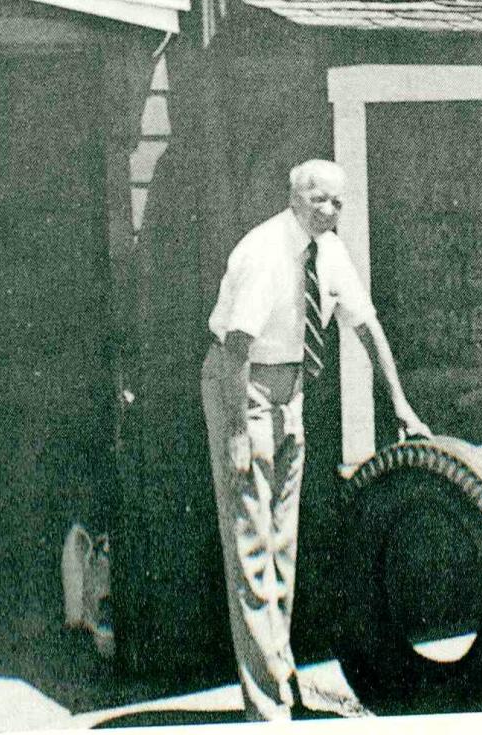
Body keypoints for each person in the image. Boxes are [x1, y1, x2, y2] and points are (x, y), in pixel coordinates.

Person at [201, 158, 431, 721]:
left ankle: (282, 680)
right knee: (253, 551)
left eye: (338, 202)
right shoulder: (263, 252)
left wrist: (399, 402)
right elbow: (235, 347)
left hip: (292, 389)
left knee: (282, 545)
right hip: (244, 387)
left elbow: (366, 326)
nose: (329, 211)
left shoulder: (330, 253)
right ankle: (269, 709)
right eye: (319, 199)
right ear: (294, 196)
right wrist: (236, 431)